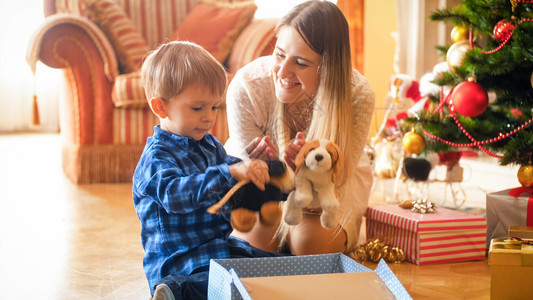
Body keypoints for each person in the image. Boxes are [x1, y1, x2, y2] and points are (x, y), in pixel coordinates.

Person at [132, 41, 285, 300]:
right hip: (179, 262)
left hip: (218, 247)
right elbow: (174, 195)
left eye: (215, 107)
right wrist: (229, 173)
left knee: (270, 266)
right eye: (197, 108)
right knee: (217, 284)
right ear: (161, 107)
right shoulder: (156, 158)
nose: (209, 117)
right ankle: (174, 293)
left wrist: (250, 165)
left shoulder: (208, 143)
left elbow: (228, 168)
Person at [225, 0, 375, 256]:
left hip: (329, 191)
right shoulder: (248, 85)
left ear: (328, 67)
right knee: (256, 242)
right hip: (260, 192)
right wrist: (269, 171)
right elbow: (243, 180)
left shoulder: (358, 95)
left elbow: (338, 180)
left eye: (301, 63)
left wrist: (302, 173)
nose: (282, 71)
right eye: (280, 54)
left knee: (309, 245)